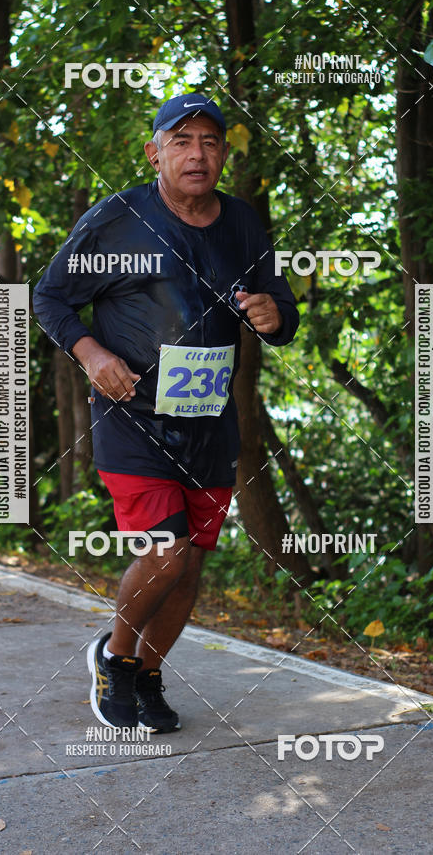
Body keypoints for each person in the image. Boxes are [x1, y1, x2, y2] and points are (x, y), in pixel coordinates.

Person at [33, 92, 299, 733]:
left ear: (224, 155)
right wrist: (91, 352)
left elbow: (281, 312)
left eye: (209, 142)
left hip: (208, 424)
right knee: (167, 552)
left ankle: (149, 674)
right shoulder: (116, 220)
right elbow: (48, 296)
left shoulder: (242, 223)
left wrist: (273, 316)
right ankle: (115, 658)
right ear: (154, 153)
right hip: (132, 417)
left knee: (188, 569)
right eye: (181, 142)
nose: (196, 154)